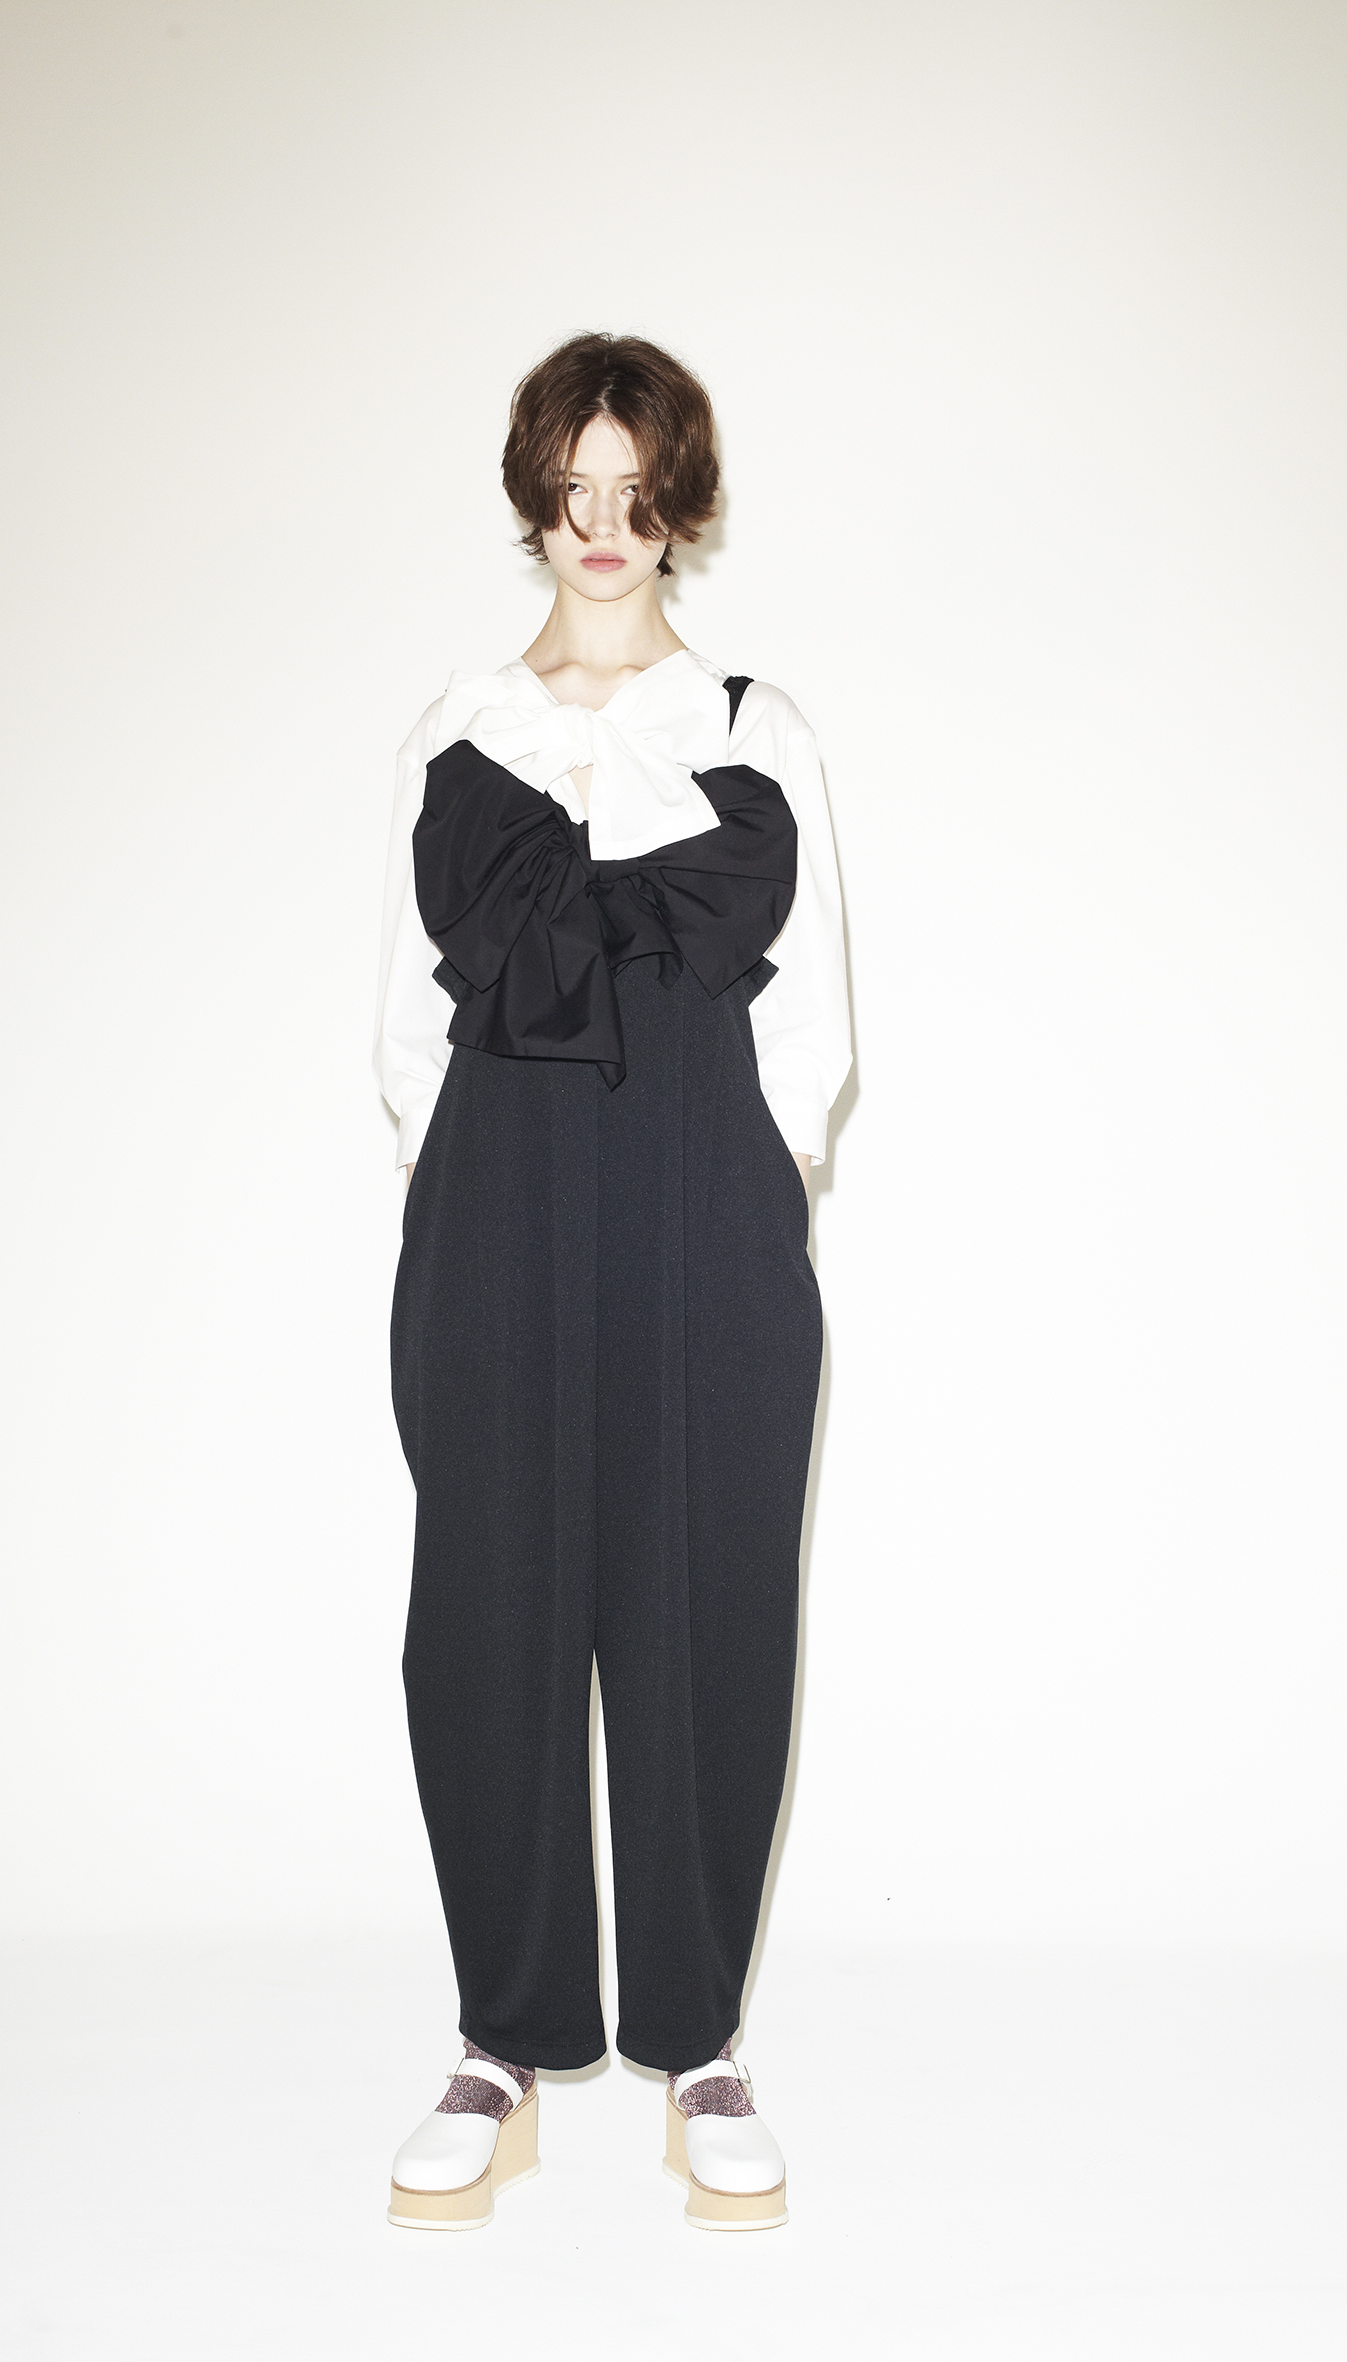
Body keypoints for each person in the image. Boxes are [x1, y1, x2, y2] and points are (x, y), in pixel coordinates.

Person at [372, 331, 851, 2232]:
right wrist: (457, 1203)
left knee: (707, 1596)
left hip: (704, 1199)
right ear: (535, 498)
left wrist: (751, 1195)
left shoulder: (753, 724)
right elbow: (403, 1016)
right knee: (487, 1606)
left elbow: (813, 1016)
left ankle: (698, 2039)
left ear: (677, 502)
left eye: (633, 489)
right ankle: (500, 2038)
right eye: (572, 488)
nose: (602, 525)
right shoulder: (457, 729)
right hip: (495, 1193)